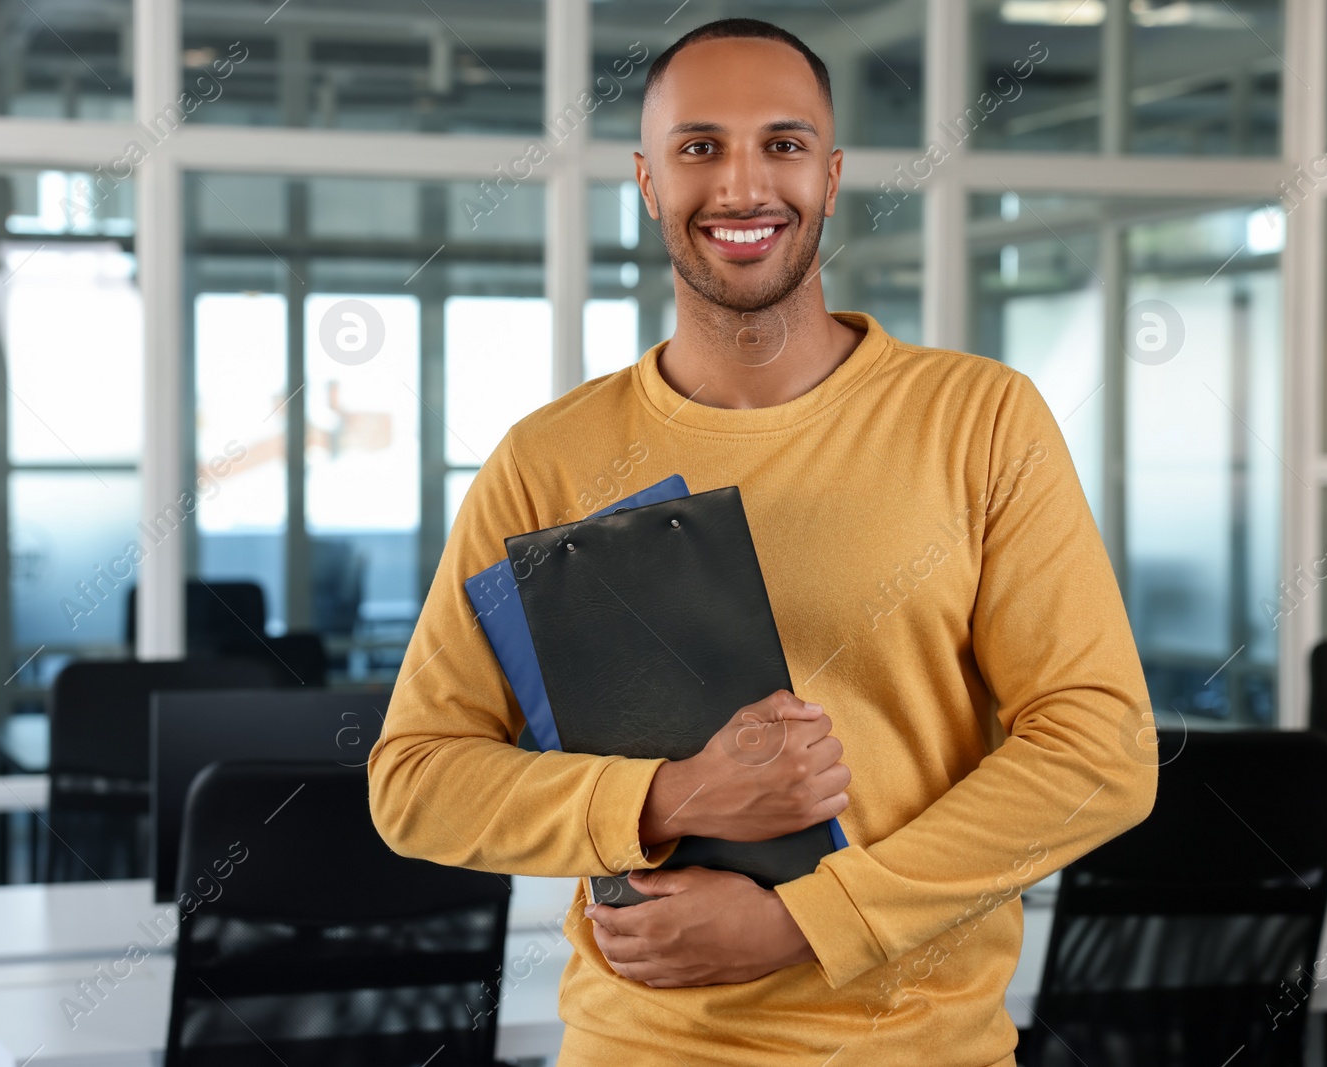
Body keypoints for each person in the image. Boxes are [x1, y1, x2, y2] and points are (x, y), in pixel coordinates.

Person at [367, 17, 1155, 1066]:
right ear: (646, 182)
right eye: (699, 148)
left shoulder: (979, 420)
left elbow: (1098, 748)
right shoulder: (546, 458)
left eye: (781, 145)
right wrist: (668, 795)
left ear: (830, 178)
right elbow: (415, 778)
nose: (741, 186)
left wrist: (808, 918)